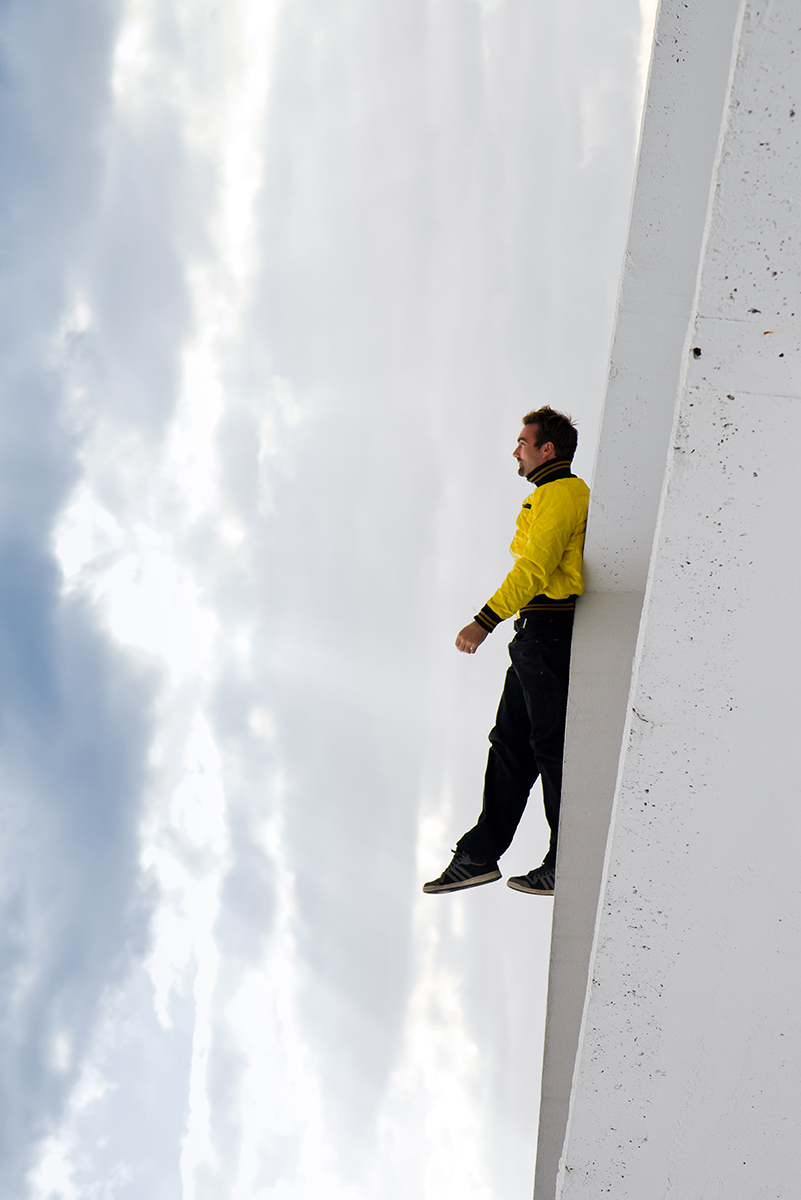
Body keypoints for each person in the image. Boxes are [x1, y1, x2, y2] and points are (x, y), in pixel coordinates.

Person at [423, 407, 590, 897]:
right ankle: (479, 855)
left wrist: (484, 620)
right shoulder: (546, 495)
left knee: (548, 746)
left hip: (548, 630)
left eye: (522, 442)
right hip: (534, 633)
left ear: (547, 450)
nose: (515, 451)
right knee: (511, 746)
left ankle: (567, 860)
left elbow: (535, 568)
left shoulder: (562, 493)